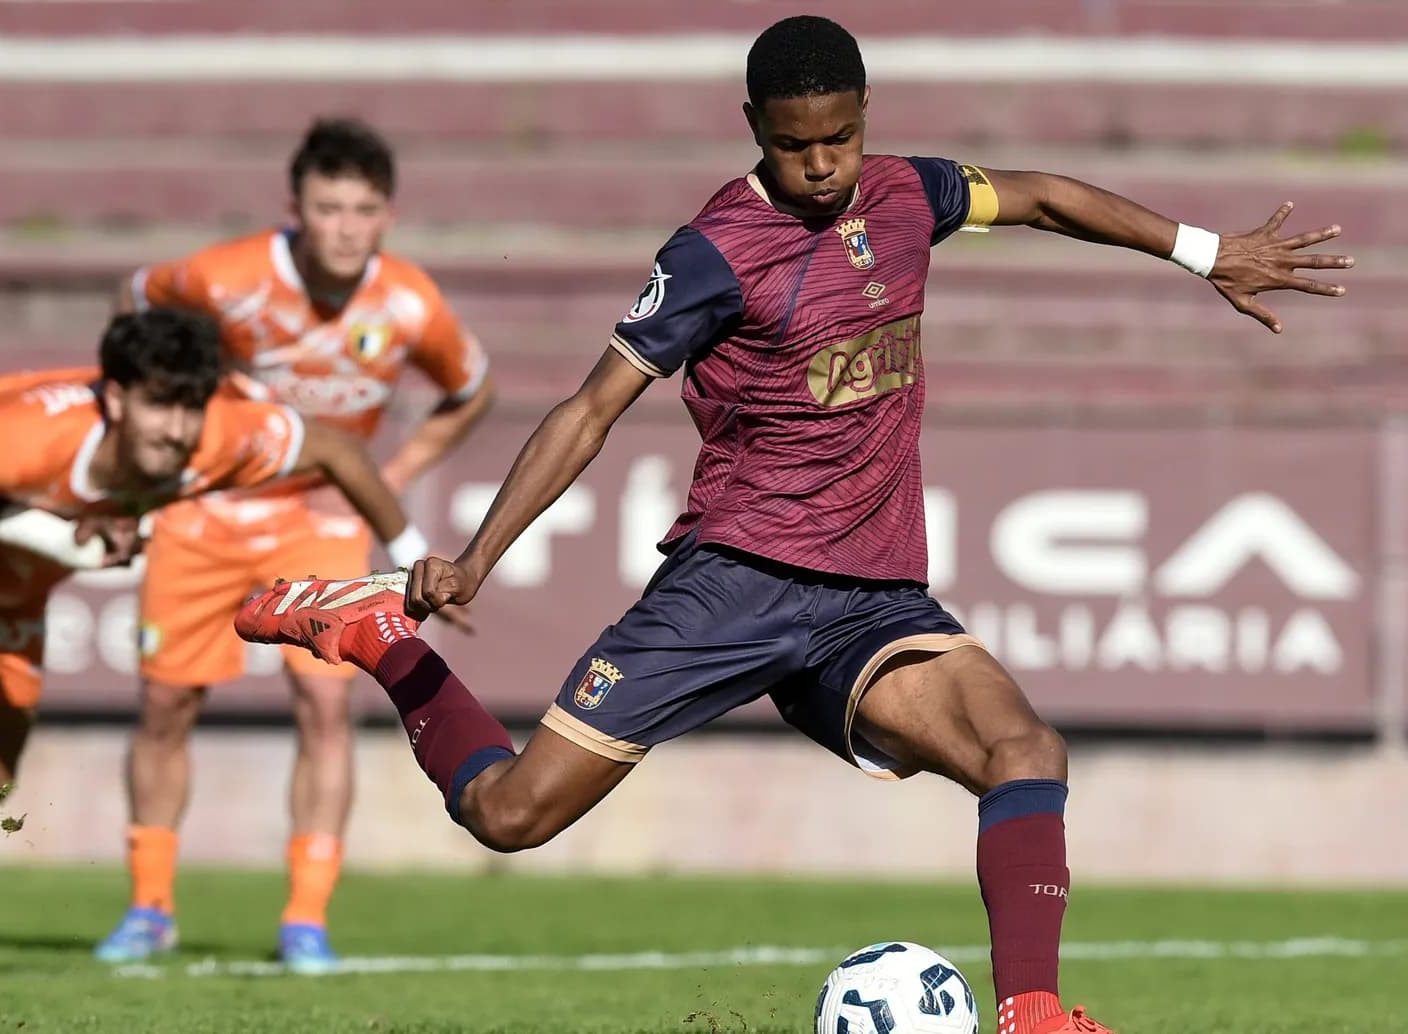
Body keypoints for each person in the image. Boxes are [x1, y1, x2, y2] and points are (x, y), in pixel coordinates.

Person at [234, 15, 1355, 1033]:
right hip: (732, 584)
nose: (817, 166)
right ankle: (382, 638)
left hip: (870, 599)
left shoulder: (913, 194)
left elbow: (1048, 196)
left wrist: (1206, 253)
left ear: (865, 115)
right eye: (789, 144)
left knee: (1026, 750)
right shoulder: (712, 252)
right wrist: (478, 558)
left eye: (836, 139)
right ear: (752, 129)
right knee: (510, 815)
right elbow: (588, 408)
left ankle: (1030, 1012)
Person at [0, 308, 435, 986]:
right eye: (160, 405)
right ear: (116, 399)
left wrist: (416, 563)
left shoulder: (222, 435)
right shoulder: (34, 435)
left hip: (15, 585)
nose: (179, 429)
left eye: (192, 406)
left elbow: (338, 449)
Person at [103, 117, 494, 972]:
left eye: (363, 209)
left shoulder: (407, 302)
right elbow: (133, 307)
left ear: (387, 215)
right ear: (296, 209)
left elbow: (470, 388)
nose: (346, 227)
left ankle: (305, 919)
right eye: (329, 207)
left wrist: (382, 470)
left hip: (320, 519)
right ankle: (149, 907)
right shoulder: (224, 276)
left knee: (324, 707)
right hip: (204, 507)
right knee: (167, 705)